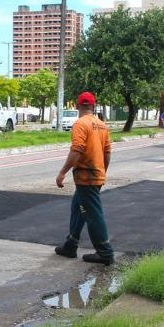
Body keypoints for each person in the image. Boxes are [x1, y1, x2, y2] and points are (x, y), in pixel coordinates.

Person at [54, 91, 115, 265]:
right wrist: (102, 170)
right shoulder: (102, 125)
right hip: (96, 173)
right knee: (77, 207)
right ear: (93, 106)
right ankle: (70, 245)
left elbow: (77, 149)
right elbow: (107, 152)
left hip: (85, 175)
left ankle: (105, 252)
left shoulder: (80, 124)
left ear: (77, 105)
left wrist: (62, 172)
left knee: (93, 214)